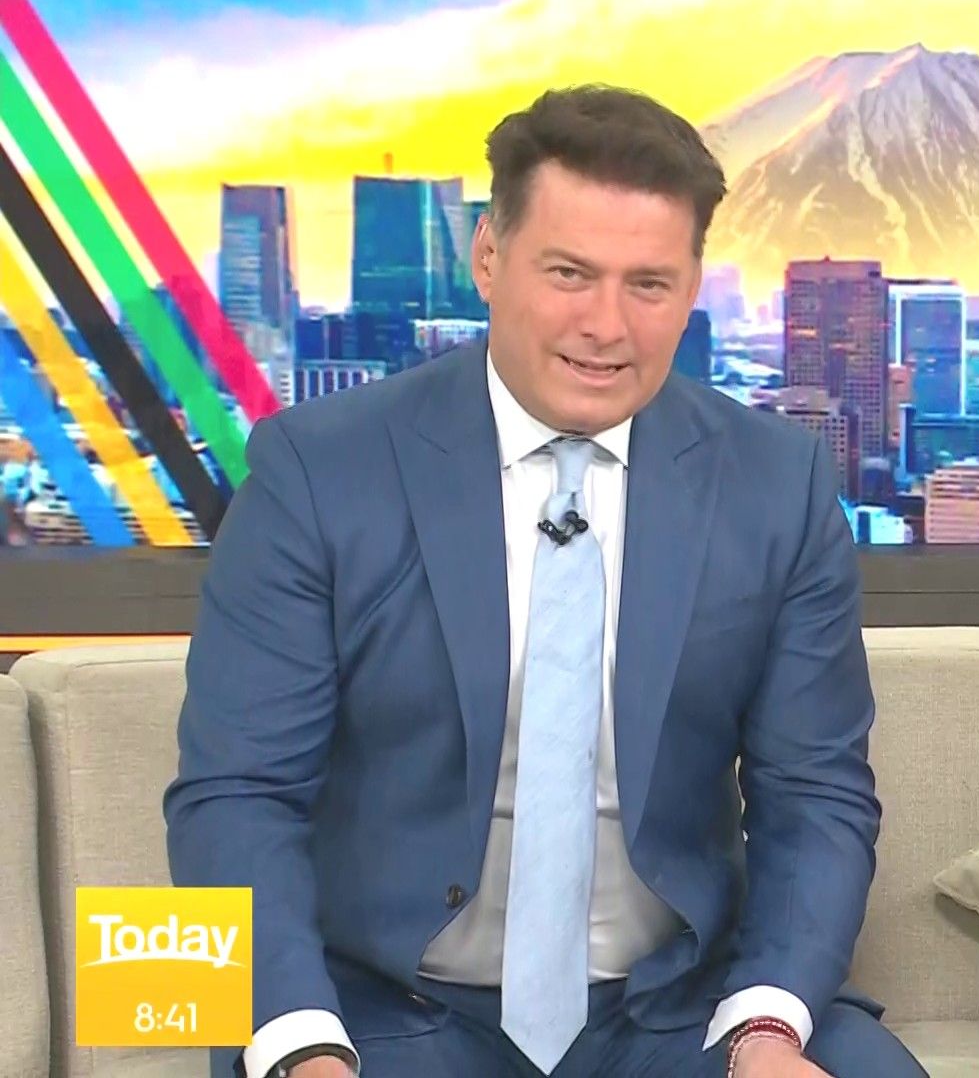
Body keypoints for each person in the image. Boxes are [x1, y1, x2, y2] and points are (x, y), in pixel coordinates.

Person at [164, 85, 927, 1078]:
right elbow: (238, 792)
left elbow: (816, 793)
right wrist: (302, 1047)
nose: (605, 325)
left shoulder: (776, 483)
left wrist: (769, 1028)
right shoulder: (318, 469)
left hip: (678, 1011)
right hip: (379, 1009)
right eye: (569, 273)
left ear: (692, 288)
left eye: (648, 285)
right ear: (489, 258)